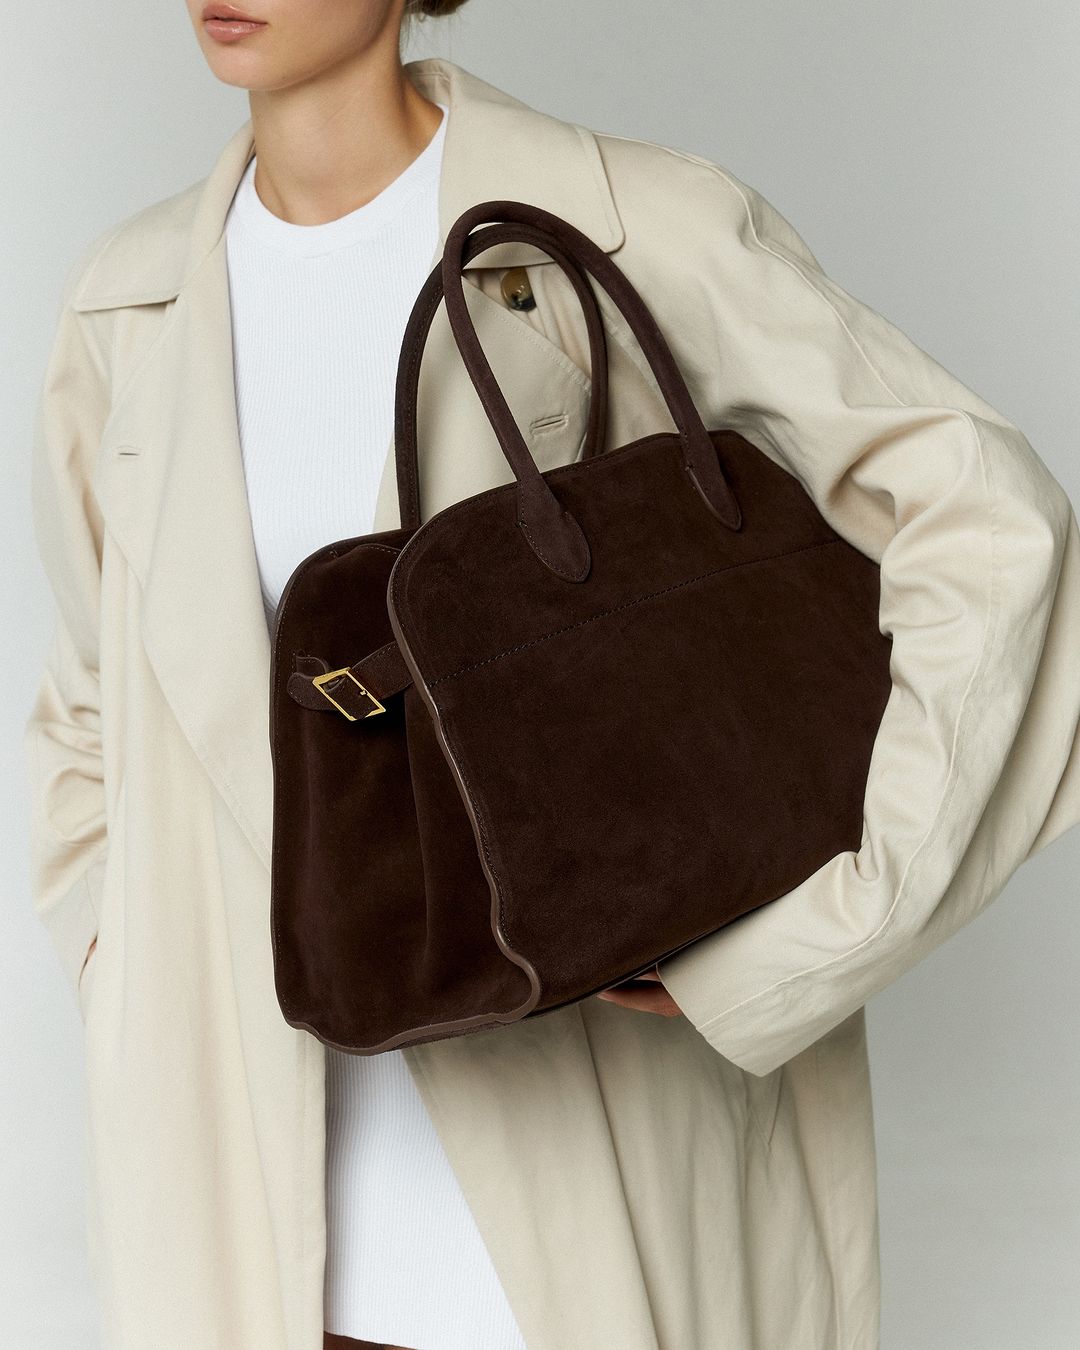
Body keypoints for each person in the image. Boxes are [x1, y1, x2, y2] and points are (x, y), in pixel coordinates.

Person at [24, 2, 1080, 1348]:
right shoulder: (128, 306)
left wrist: (814, 940)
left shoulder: (627, 226)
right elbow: (95, 700)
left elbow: (991, 529)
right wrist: (119, 954)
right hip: (238, 1211)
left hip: (582, 1192)